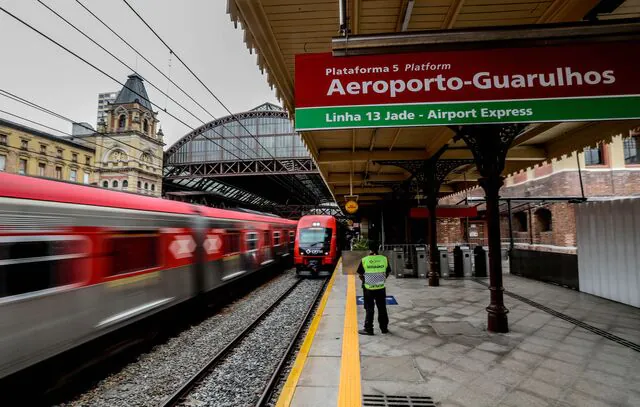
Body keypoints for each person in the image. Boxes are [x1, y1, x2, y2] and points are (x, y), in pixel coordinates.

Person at [357, 246, 391, 335]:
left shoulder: (365, 260)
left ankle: (368, 329)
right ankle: (384, 328)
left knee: (369, 308)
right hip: (381, 288)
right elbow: (387, 272)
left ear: (370, 250)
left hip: (369, 289)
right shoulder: (384, 259)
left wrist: (366, 281)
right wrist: (381, 280)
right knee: (382, 307)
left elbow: (360, 274)